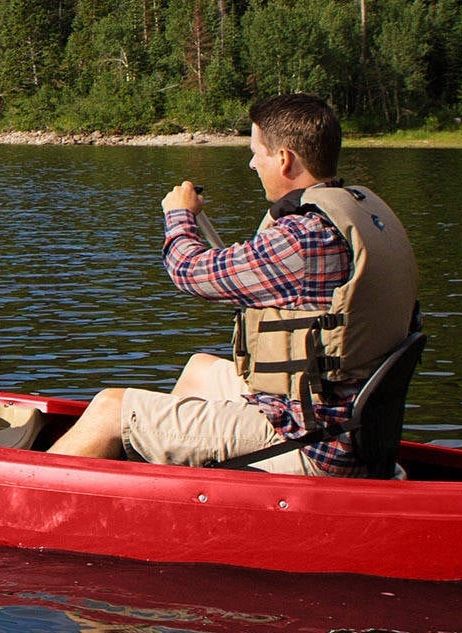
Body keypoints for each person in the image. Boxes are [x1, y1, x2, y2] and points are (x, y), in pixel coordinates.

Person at [48, 93, 417, 476]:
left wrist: (178, 215)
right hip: (350, 426)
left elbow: (187, 270)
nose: (252, 163)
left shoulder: (304, 238)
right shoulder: (360, 215)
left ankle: (36, 488)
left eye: (257, 152)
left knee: (110, 409)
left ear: (284, 159)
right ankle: (169, 485)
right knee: (200, 369)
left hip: (311, 441)